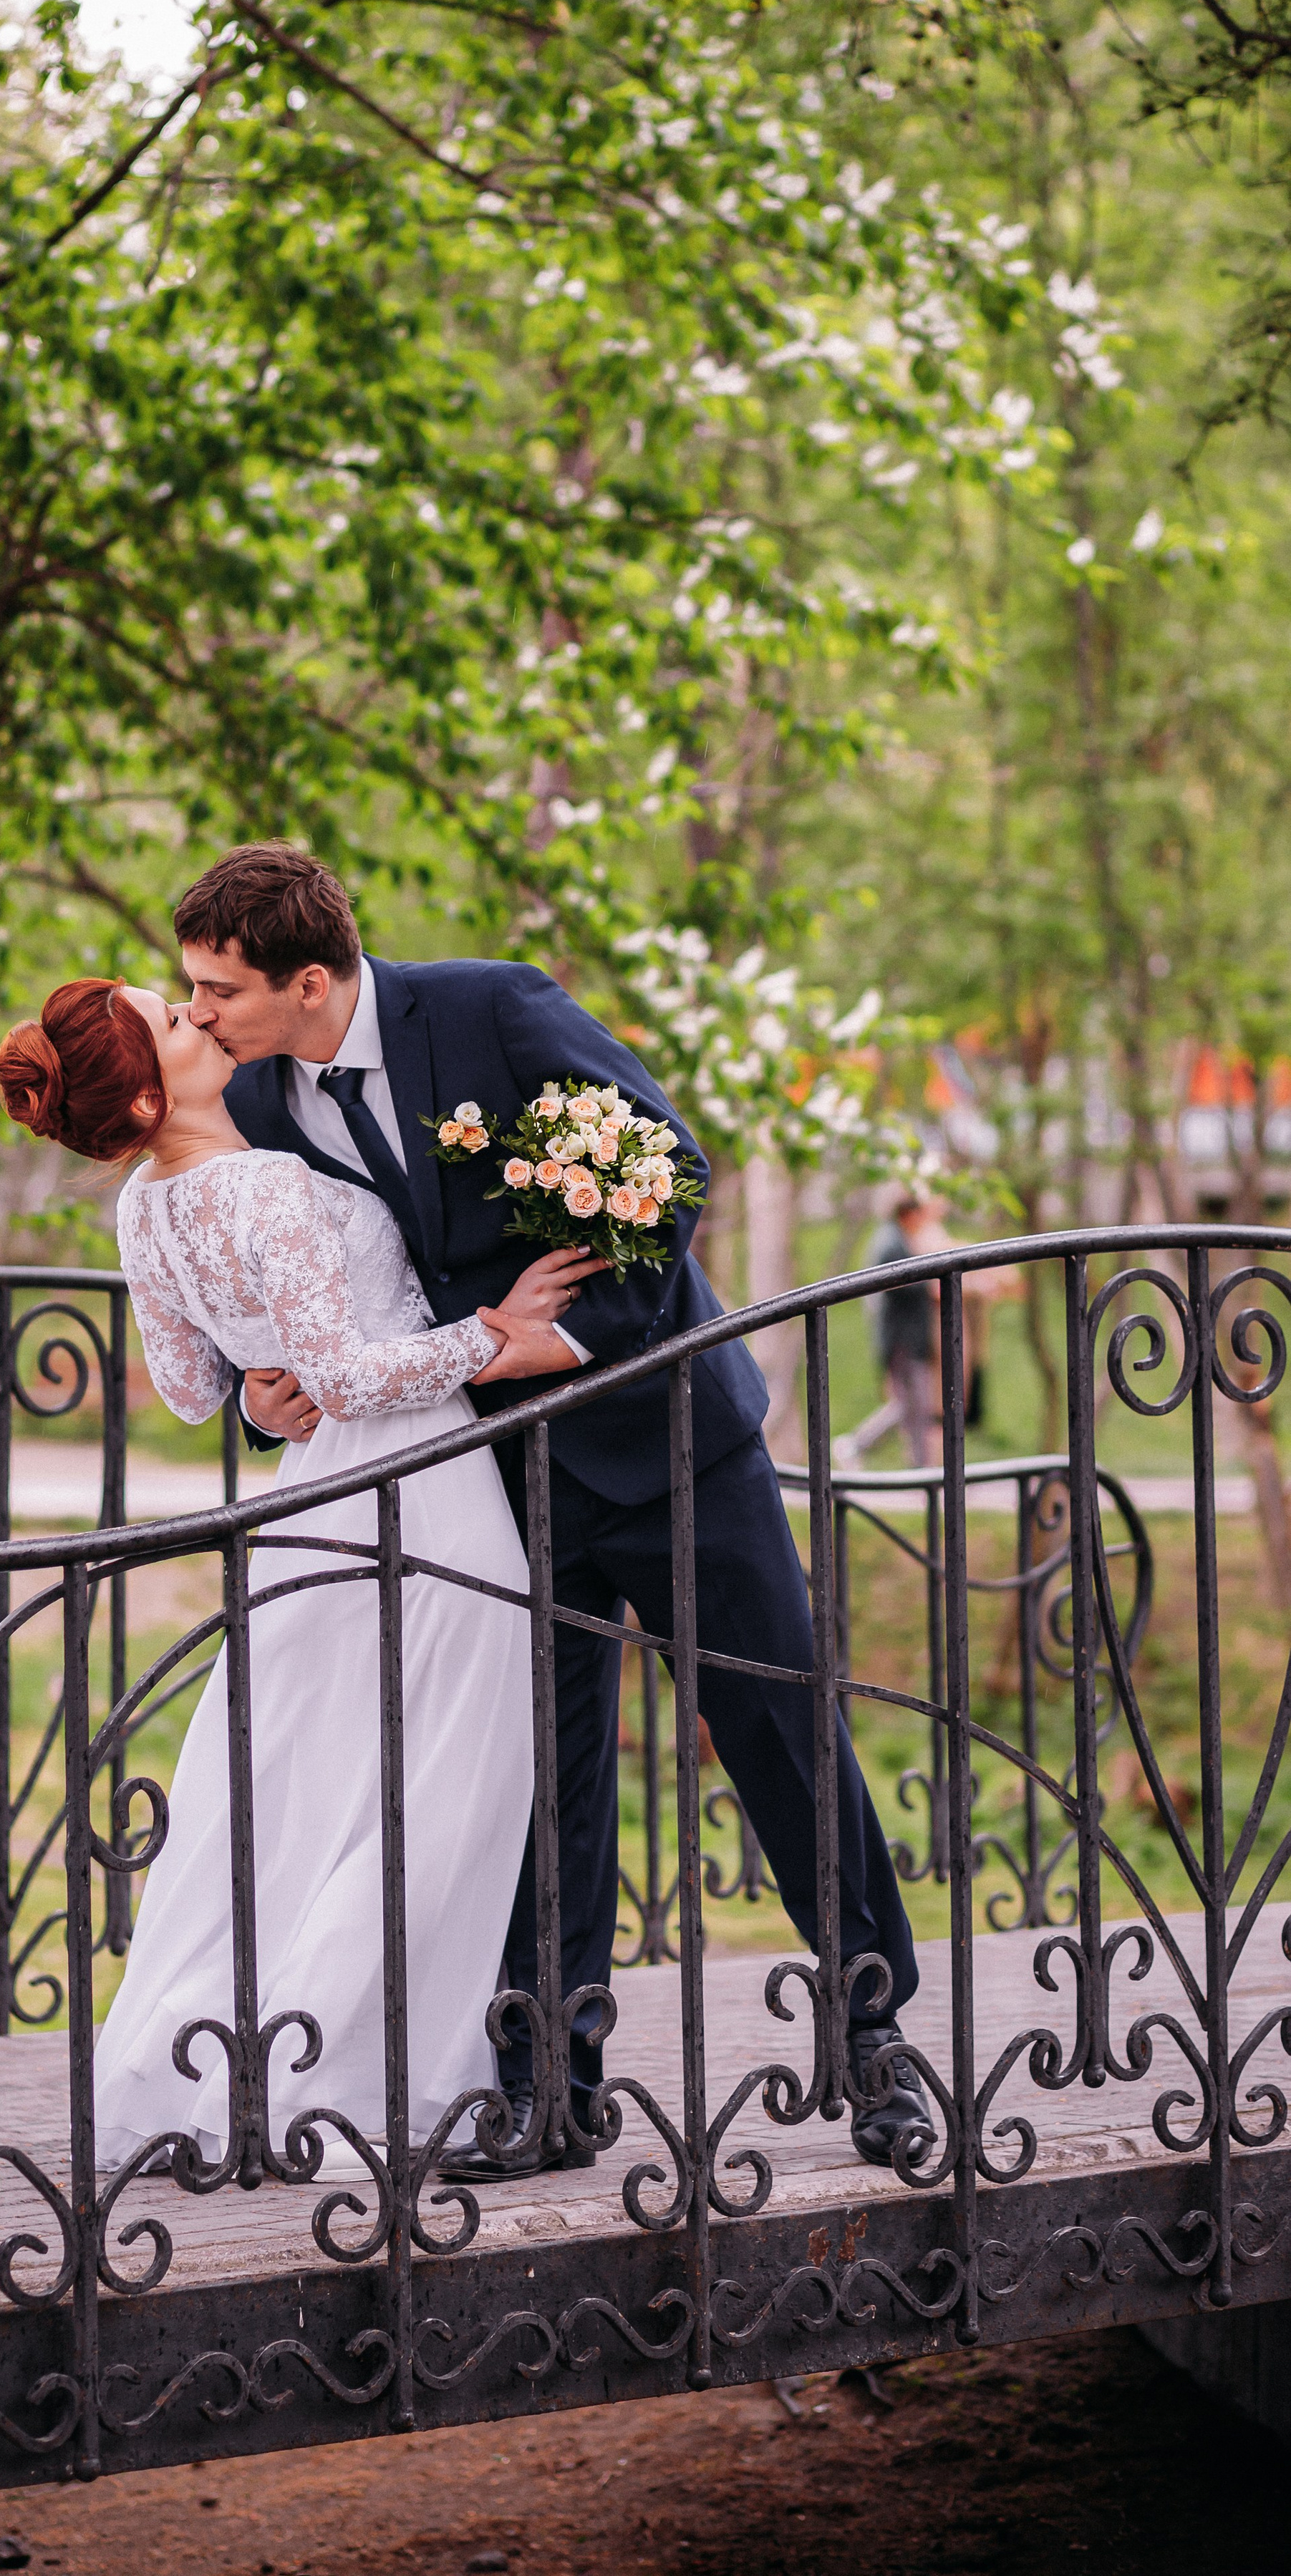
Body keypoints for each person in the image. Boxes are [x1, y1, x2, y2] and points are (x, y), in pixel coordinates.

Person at [173, 843, 933, 2174]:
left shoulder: (491, 1009)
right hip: (490, 1479)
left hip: (671, 1441)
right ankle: (551, 2085)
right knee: (546, 1780)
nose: (197, 1015)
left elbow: (668, 1172)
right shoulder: (250, 1094)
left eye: (218, 990)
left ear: (308, 980)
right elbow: (259, 1283)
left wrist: (558, 1347)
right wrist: (263, 1397)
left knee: (778, 1729)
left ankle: (876, 2042)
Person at [0, 975, 600, 2179]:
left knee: (304, 1785)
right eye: (174, 1019)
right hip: (415, 1491)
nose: (198, 1014)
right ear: (157, 1088)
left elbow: (187, 1389)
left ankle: (241, 2053)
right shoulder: (265, 1186)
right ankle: (340, 2069)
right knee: (439, 1784)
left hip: (307, 1506)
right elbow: (362, 1375)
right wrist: (498, 1330)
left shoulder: (141, 1207)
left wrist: (260, 1388)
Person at [836, 1193, 943, 1471]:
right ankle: (858, 1445)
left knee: (912, 1405)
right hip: (904, 1339)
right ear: (908, 1214)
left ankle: (917, 1466)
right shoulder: (893, 1245)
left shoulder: (892, 1240)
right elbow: (908, 1288)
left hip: (904, 1338)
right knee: (913, 1404)